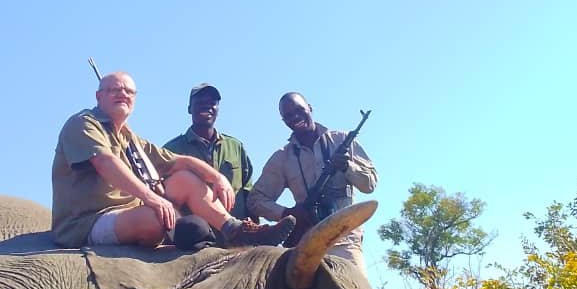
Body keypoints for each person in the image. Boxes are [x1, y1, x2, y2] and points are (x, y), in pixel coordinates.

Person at [51, 71, 295, 250]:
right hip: (92, 219)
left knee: (186, 179)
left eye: (128, 91)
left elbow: (181, 162)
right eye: (114, 90)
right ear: (99, 96)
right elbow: (105, 163)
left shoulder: (131, 139)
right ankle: (183, 234)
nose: (122, 94)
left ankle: (236, 230)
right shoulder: (83, 123)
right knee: (164, 220)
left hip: (131, 211)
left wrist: (217, 177)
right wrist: (152, 199)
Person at [249, 92, 377, 267]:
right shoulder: (282, 157)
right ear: (284, 121)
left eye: (299, 109)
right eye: (288, 115)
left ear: (310, 108)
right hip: (306, 243)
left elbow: (369, 184)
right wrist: (288, 214)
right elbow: (256, 200)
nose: (295, 117)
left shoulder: (341, 140)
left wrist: (347, 167)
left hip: (345, 240)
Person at [163, 83, 256, 221]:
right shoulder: (171, 150)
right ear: (189, 109)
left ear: (218, 109)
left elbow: (249, 193)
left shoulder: (236, 147)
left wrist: (254, 226)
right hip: (195, 238)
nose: (207, 106)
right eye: (200, 102)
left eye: (212, 103)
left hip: (238, 237)